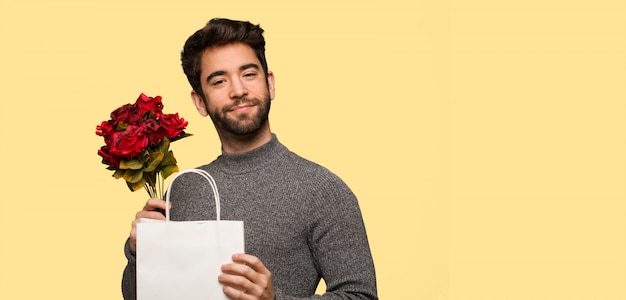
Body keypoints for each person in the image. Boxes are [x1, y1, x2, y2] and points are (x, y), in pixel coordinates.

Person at [121, 18, 378, 300]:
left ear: (270, 84)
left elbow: (361, 295)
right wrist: (138, 252)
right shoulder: (181, 191)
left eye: (249, 74)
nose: (238, 90)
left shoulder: (322, 190)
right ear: (200, 102)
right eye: (219, 81)